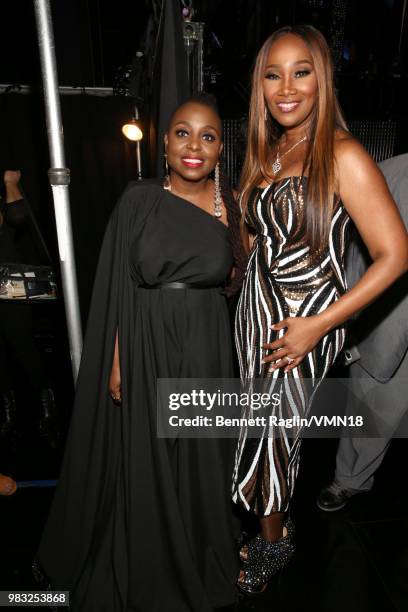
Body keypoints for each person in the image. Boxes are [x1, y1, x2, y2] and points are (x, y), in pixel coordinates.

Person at [35, 95, 246, 611]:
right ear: (164, 143)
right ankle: (149, 560)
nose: (194, 146)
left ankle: (199, 552)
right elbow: (114, 288)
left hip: (206, 344)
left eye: (209, 136)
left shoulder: (233, 205)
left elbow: (242, 286)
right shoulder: (138, 198)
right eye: (182, 133)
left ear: (221, 148)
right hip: (145, 336)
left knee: (200, 455)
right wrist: (116, 358)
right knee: (150, 453)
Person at [232, 24, 408, 595]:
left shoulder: (343, 152)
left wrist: (320, 326)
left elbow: (394, 255)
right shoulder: (271, 148)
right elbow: (261, 235)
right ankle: (270, 524)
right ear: (259, 83)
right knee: (254, 425)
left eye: (301, 72)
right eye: (273, 73)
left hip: (303, 318)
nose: (287, 87)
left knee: (272, 434)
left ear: (322, 79)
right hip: (256, 311)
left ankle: (274, 542)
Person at [317, 153, 408, 511]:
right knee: (374, 402)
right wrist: (351, 316)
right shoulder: (389, 171)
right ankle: (350, 479)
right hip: (392, 315)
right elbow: (351, 248)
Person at [0, 170, 55, 438]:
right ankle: (7, 413)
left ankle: (47, 408)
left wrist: (10, 182)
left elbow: (19, 217)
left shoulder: (5, 200)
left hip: (7, 291)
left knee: (24, 349)